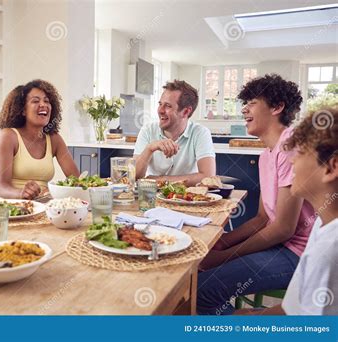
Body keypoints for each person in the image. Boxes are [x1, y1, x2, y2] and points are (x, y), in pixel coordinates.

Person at [197, 74, 315, 315]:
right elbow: (262, 217)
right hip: (280, 246)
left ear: (277, 107)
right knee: (202, 270)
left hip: (300, 254)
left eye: (251, 102)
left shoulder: (290, 146)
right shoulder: (266, 155)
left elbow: (283, 228)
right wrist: (221, 243)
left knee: (204, 289)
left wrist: (223, 257)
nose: (244, 109)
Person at [236, 107, 338, 315]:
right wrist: (255, 316)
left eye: (300, 153)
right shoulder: (323, 224)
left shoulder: (330, 250)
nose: (291, 160)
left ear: (331, 168)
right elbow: (294, 308)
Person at [0, 79, 79, 200]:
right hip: (14, 208)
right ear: (23, 110)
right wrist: (21, 193)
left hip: (44, 206)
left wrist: (53, 190)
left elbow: (75, 178)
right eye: (35, 101)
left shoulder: (54, 139)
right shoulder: (9, 136)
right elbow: (1, 187)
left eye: (47, 101)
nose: (43, 104)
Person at [133, 80, 215, 186]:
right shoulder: (148, 130)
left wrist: (160, 180)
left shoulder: (200, 133)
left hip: (186, 199)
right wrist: (150, 148)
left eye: (168, 106)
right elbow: (134, 176)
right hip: (151, 197)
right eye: (160, 104)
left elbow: (207, 177)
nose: (160, 110)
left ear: (185, 112)